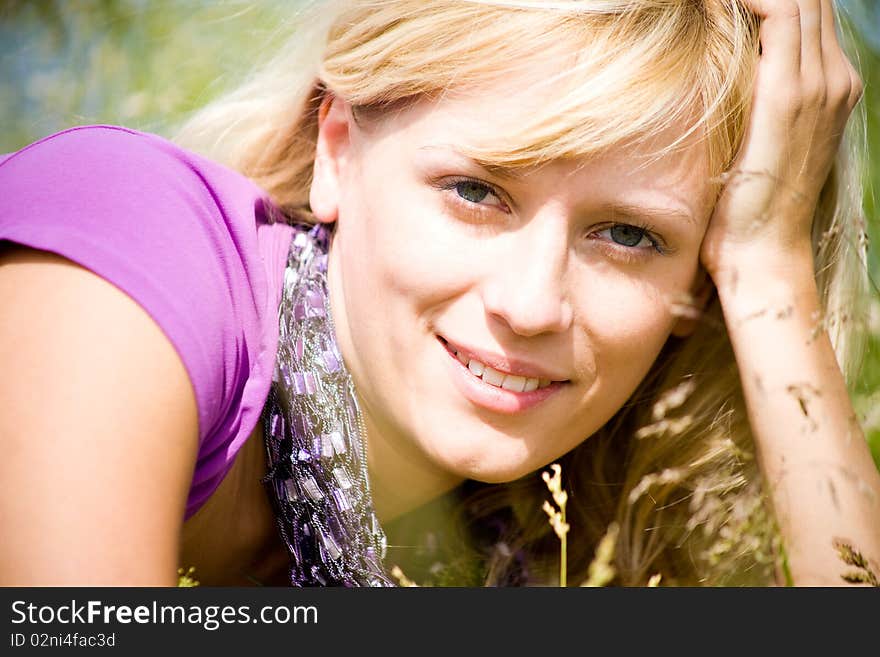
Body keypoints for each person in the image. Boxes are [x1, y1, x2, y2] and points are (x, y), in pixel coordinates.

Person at [1, 0, 878, 587]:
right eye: (476, 190)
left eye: (628, 234)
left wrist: (771, 268)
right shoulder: (125, 251)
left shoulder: (536, 536)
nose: (532, 303)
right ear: (336, 149)